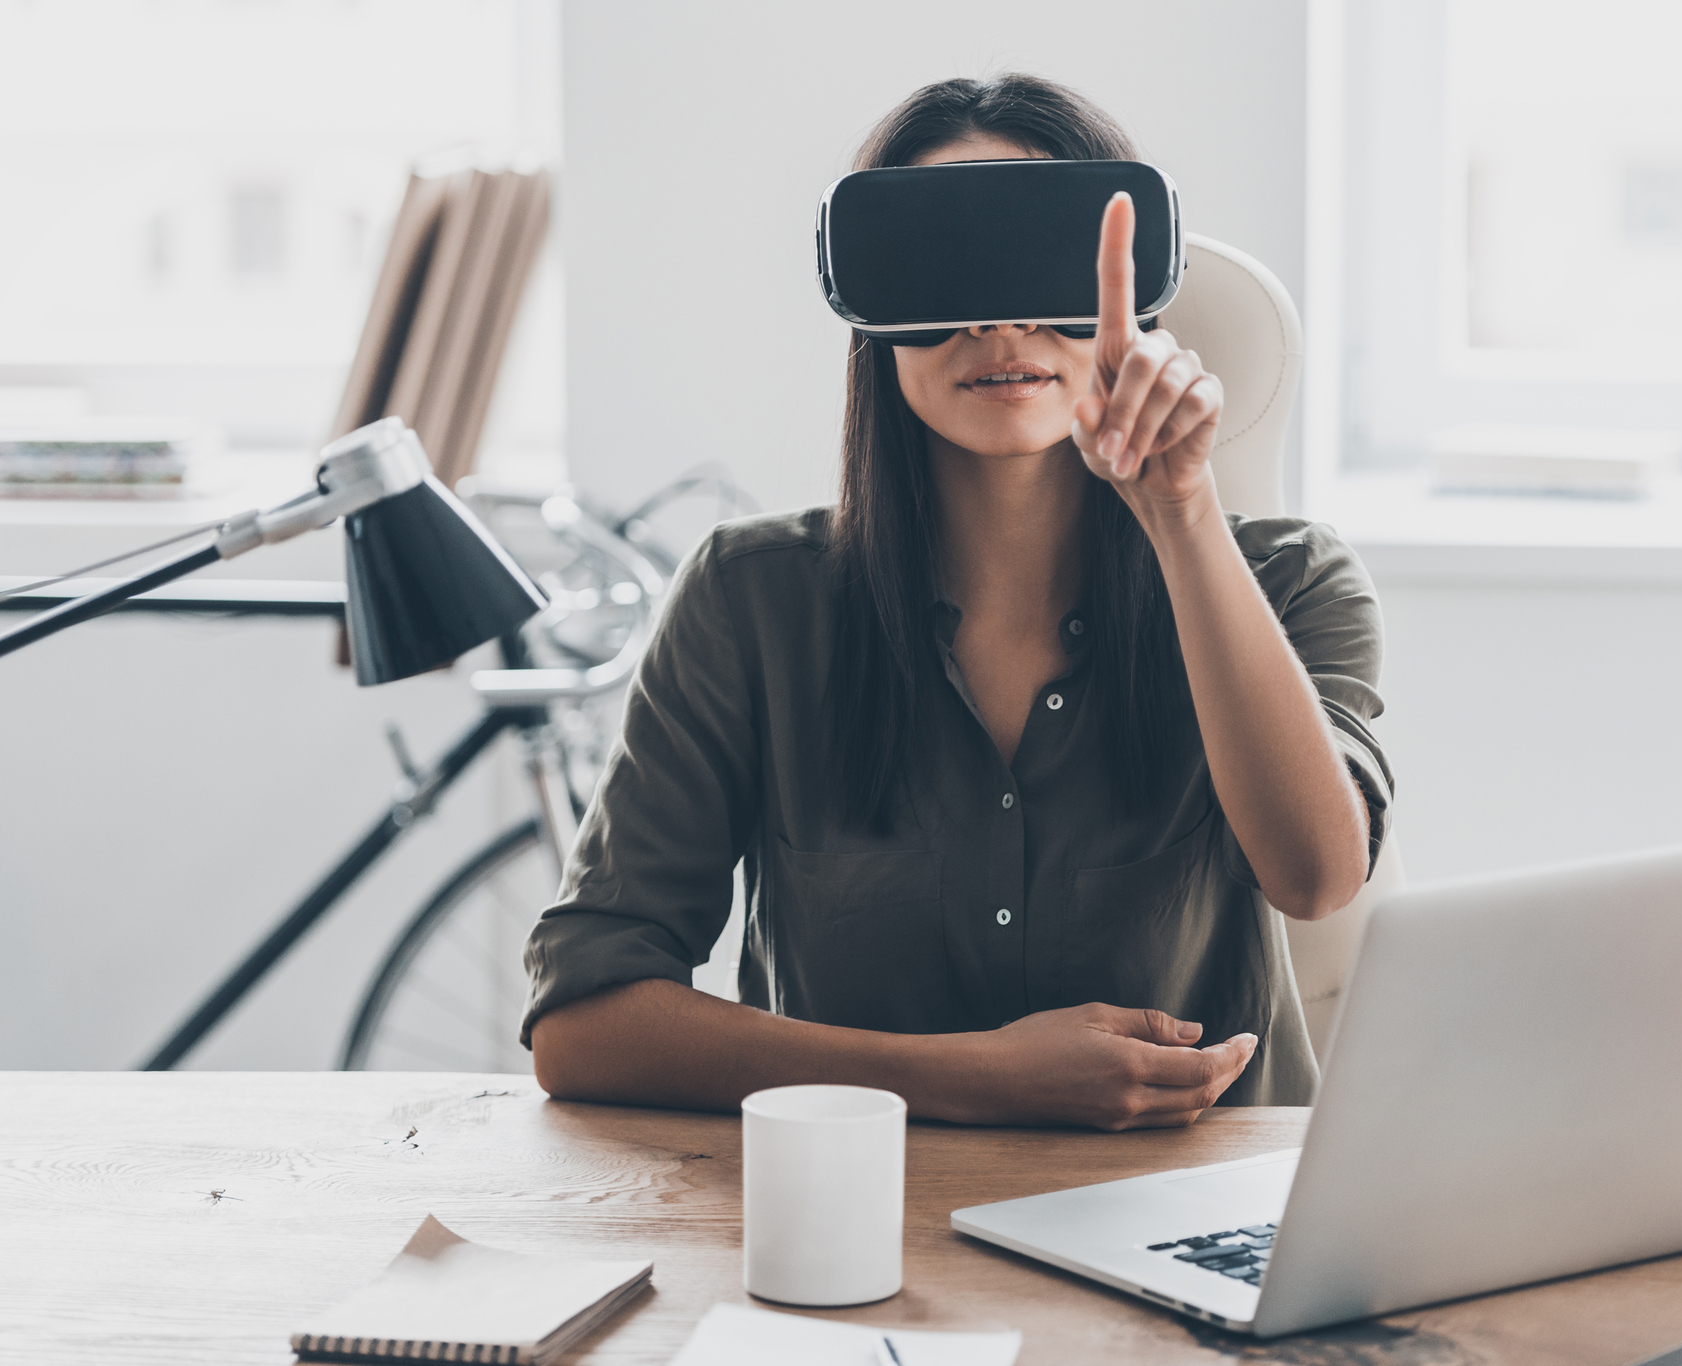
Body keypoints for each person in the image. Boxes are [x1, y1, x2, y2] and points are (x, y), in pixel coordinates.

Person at [525, 74, 1391, 1131]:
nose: (999, 318)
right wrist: (973, 1077)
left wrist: (1181, 511)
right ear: (874, 315)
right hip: (858, 1220)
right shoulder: (749, 605)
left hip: (1192, 1216)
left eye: (1040, 261)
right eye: (945, 268)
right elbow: (584, 1023)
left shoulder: (1290, 579)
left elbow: (1315, 877)